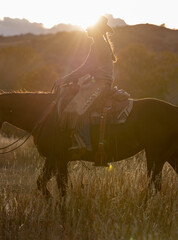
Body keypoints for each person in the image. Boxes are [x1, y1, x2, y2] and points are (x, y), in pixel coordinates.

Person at [54, 16, 117, 165]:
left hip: (101, 84)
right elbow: (89, 68)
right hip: (99, 82)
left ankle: (85, 144)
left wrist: (65, 79)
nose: (87, 28)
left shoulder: (98, 45)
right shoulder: (99, 44)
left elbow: (87, 67)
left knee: (76, 108)